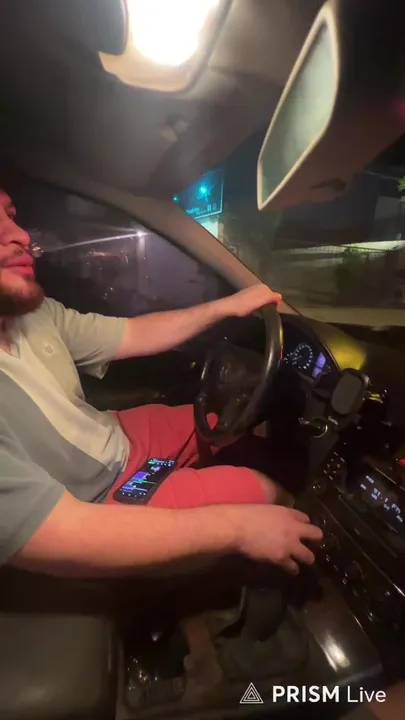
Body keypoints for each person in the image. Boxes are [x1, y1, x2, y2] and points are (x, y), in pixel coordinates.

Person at [0, 188, 323, 578]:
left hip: (117, 436)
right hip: (96, 502)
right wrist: (240, 528)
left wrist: (226, 307)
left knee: (227, 417)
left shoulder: (33, 314)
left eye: (10, 215)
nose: (19, 234)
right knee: (266, 494)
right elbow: (59, 533)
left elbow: (134, 333)